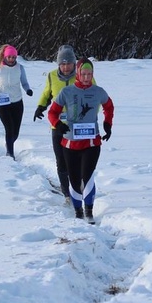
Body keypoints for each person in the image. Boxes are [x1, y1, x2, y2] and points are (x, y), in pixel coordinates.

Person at [47, 58, 114, 223]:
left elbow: (109, 106)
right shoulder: (67, 92)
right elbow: (52, 112)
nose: (86, 77)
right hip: (70, 144)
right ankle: (78, 212)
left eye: (89, 74)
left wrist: (107, 123)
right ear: (78, 74)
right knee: (75, 179)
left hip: (92, 143)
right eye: (83, 74)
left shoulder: (98, 91)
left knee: (88, 175)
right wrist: (58, 125)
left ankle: (89, 211)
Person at [33, 45, 85, 202]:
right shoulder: (51, 76)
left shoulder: (83, 75)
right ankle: (67, 194)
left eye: (69, 63)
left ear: (74, 64)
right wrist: (40, 107)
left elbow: (93, 96)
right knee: (61, 159)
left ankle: (79, 187)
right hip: (57, 124)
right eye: (62, 64)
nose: (66, 67)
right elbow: (46, 94)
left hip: (78, 125)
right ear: (58, 65)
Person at [0, 44, 33, 159]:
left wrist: (28, 90)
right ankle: (10, 153)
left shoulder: (20, 68)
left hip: (17, 102)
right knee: (9, 128)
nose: (12, 59)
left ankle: (9, 144)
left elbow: (24, 82)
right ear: (5, 57)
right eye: (10, 57)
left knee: (15, 132)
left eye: (14, 57)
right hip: (3, 102)